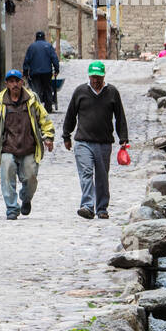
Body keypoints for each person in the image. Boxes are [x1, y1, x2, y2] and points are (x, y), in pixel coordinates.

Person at [0, 69, 54, 220]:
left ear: (22, 83)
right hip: (8, 147)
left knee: (31, 179)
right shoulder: (0, 101)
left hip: (29, 148)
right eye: (11, 81)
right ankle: (12, 208)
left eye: (17, 81)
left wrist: (48, 136)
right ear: (6, 84)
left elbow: (44, 118)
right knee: (7, 176)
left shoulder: (32, 99)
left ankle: (26, 198)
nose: (15, 84)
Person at [62, 61, 129, 220]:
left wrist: (123, 138)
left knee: (101, 176)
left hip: (104, 143)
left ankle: (102, 208)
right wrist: (66, 135)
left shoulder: (112, 92)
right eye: (93, 77)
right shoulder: (80, 91)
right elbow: (71, 114)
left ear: (104, 76)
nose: (96, 80)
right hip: (83, 142)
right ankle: (87, 206)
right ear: (89, 76)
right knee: (86, 173)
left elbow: (120, 117)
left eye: (98, 77)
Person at [23, 31, 61, 112]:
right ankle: (48, 108)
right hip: (47, 72)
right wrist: (56, 69)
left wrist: (25, 72)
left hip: (35, 73)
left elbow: (27, 60)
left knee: (37, 90)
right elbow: (54, 58)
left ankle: (37, 109)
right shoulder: (48, 46)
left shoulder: (31, 47)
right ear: (44, 37)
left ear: (36, 38)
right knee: (48, 89)